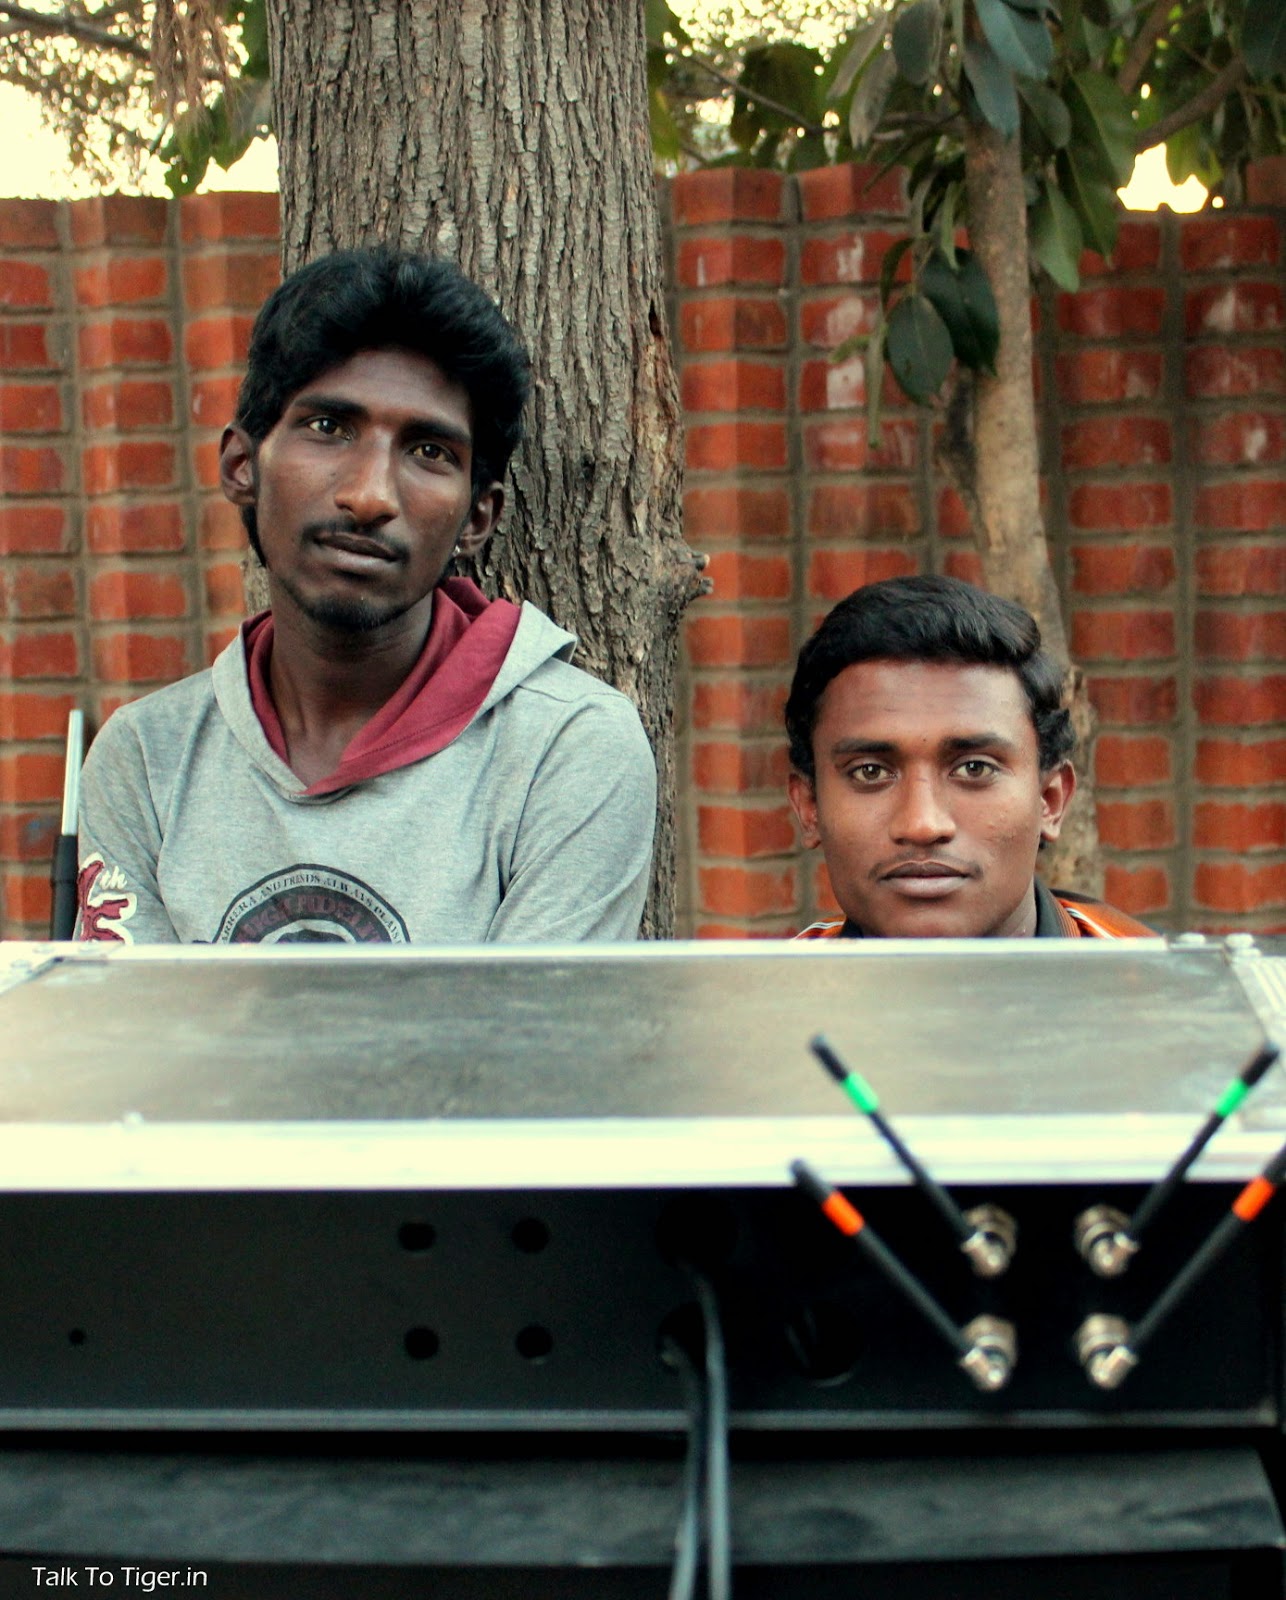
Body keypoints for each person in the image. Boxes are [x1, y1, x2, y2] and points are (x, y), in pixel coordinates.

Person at [76, 249, 656, 945]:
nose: (370, 495)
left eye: (429, 451)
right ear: (242, 466)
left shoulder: (566, 746)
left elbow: (523, 1021)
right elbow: (133, 1019)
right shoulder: (146, 758)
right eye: (328, 428)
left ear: (478, 516)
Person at [785, 575, 1151, 940]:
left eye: (974, 768)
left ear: (1049, 801)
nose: (923, 825)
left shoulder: (1155, 976)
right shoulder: (774, 980)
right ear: (810, 807)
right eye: (869, 772)